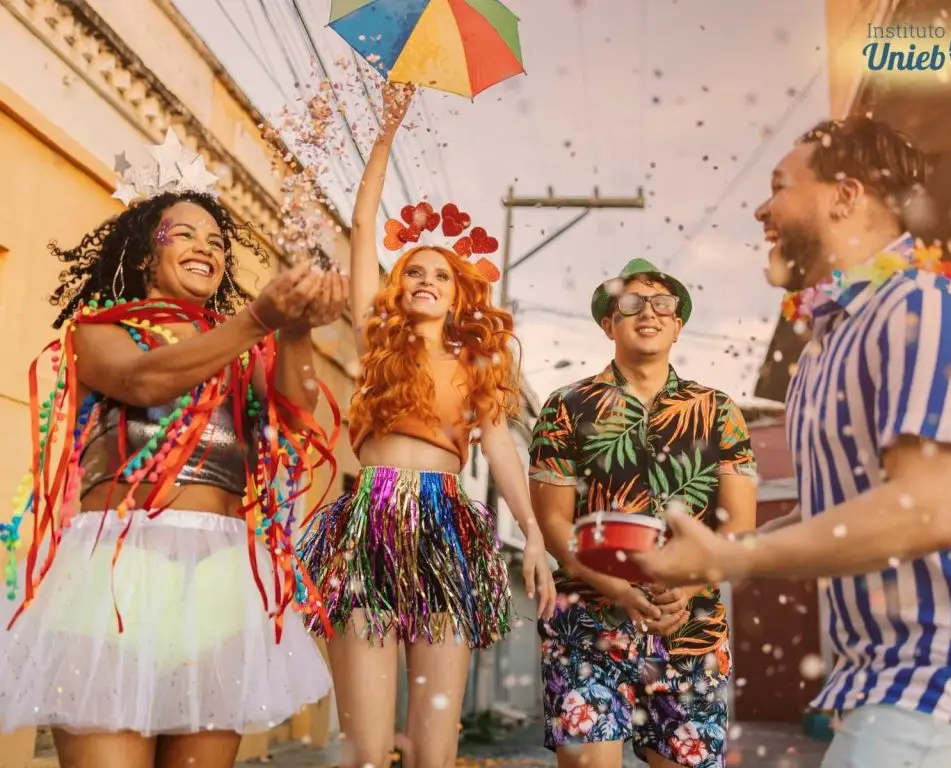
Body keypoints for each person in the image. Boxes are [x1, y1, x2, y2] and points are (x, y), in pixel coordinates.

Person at [635, 116, 951, 768]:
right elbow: (828, 520)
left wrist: (738, 561)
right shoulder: (823, 351)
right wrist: (713, 555)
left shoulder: (924, 307)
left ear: (846, 195)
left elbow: (930, 509)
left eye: (780, 186)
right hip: (881, 684)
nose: (762, 208)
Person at [0, 135, 345, 768]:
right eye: (184, 234)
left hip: (219, 576)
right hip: (114, 570)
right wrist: (258, 322)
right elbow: (143, 380)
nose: (206, 248)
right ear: (141, 254)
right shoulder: (99, 332)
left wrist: (294, 329)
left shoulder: (247, 348)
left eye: (217, 241)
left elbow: (297, 413)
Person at [296, 83, 556, 768]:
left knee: (437, 749)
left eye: (440, 272)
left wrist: (532, 532)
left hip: (445, 530)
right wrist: (385, 133)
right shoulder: (376, 336)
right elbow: (360, 225)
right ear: (397, 284)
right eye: (414, 269)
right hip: (370, 519)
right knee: (367, 747)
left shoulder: (475, 365)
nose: (426, 279)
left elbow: (499, 443)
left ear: (458, 289)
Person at [528, 257, 758, 767]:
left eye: (662, 303)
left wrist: (691, 585)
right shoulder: (566, 405)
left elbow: (739, 526)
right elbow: (553, 523)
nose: (647, 312)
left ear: (678, 323)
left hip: (690, 629)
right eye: (630, 303)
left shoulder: (720, 411)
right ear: (609, 323)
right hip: (586, 626)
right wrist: (616, 588)